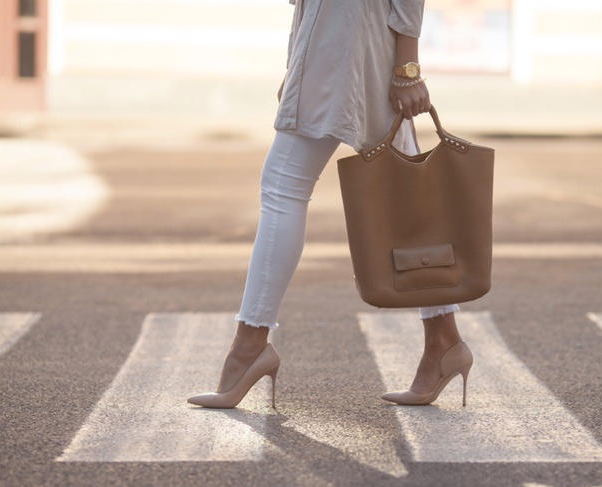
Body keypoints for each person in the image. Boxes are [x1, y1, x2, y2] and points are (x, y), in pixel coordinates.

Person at [187, 0, 472, 409]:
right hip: (334, 39)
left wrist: (408, 69)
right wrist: (296, 59)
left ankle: (249, 346)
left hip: (352, 39)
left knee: (285, 186)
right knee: (403, 194)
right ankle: (444, 342)